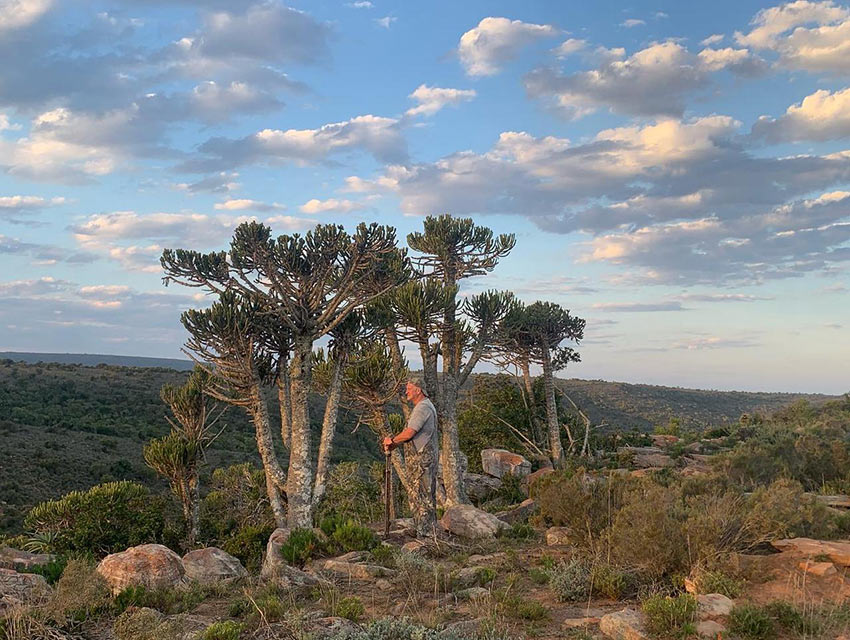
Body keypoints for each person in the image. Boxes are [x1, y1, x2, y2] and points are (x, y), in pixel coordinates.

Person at [383, 380, 438, 537]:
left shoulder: (422, 408)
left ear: (418, 390)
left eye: (409, 389)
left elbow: (409, 433)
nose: (406, 392)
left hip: (422, 460)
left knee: (421, 497)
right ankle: (427, 532)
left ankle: (425, 535)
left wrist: (392, 442)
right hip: (425, 458)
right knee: (425, 495)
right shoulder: (426, 406)